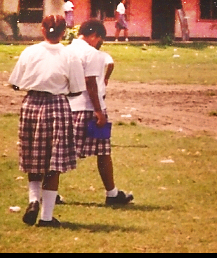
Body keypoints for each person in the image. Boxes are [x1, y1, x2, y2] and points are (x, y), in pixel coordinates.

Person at [8, 15, 85, 227]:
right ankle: (46, 217)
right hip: (56, 105)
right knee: (54, 162)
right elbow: (77, 88)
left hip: (31, 104)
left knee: (33, 157)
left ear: (43, 29)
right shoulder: (70, 55)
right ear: (64, 31)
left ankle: (33, 200)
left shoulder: (30, 52)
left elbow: (15, 83)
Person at [68, 20, 134, 205]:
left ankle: (48, 192)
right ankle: (112, 194)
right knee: (103, 151)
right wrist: (99, 110)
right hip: (89, 108)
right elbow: (90, 84)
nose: (99, 44)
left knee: (60, 152)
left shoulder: (66, 50)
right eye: (99, 40)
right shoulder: (92, 54)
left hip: (67, 106)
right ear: (94, 35)